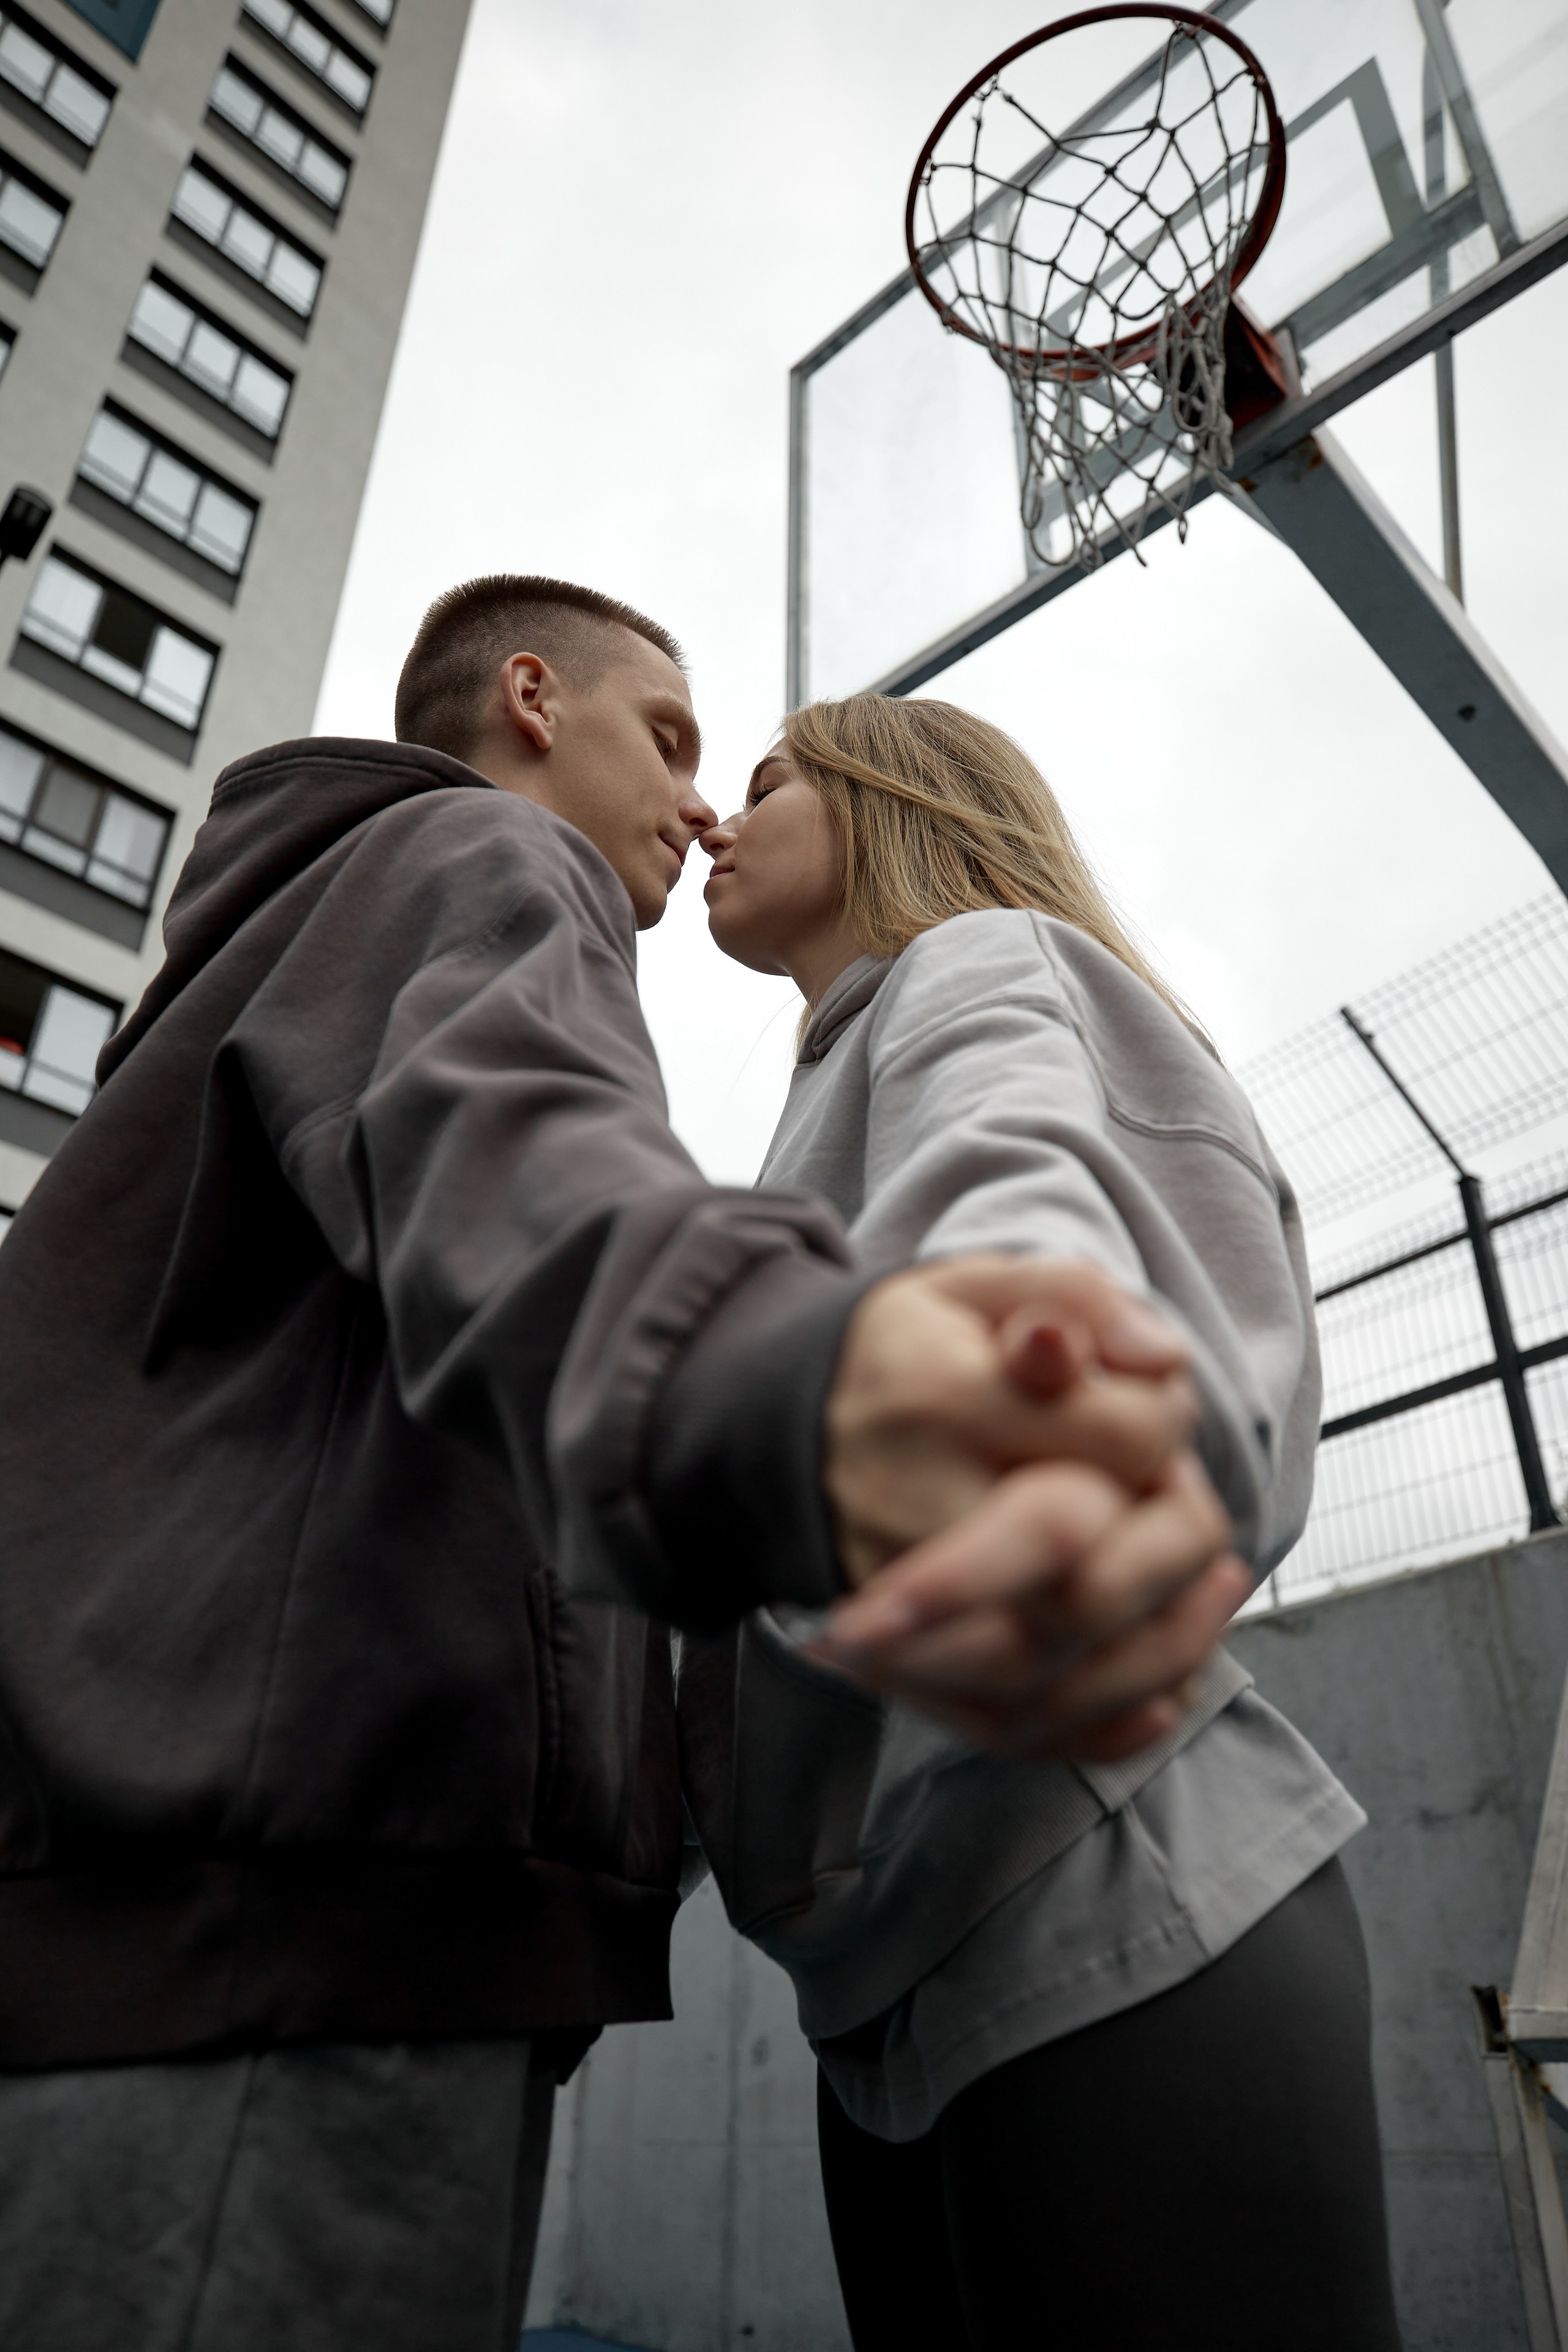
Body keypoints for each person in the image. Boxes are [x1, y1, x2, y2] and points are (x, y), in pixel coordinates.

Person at [0, 579, 1239, 2352]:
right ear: (529, 701)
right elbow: (525, 1162)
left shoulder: (277, 943)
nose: (700, 798)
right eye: (670, 738)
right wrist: (817, 1393)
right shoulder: (479, 867)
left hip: (186, 1917)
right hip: (296, 1950)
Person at [689, 692, 1404, 2352]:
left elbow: (1010, 1229)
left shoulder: (979, 968)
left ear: (887, 798)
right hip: (878, 1993)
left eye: (769, 778)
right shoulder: (820, 1106)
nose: (721, 818)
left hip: (1101, 1899)